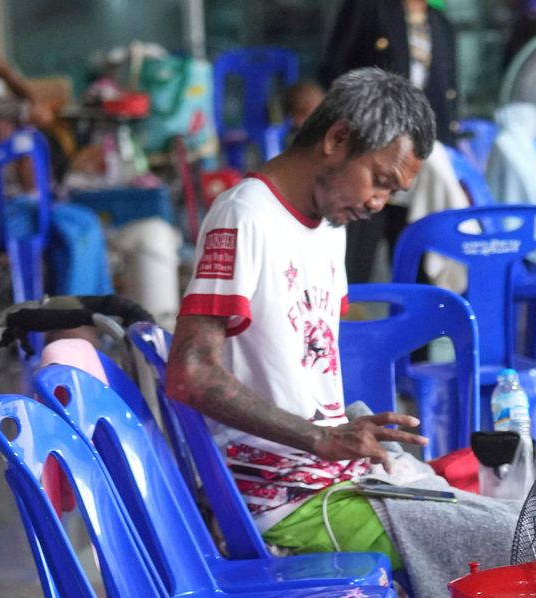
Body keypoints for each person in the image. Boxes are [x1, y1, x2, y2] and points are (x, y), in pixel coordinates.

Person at [166, 69, 435, 561]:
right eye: (379, 181)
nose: (378, 203)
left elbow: (300, 369)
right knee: (495, 542)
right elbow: (190, 373)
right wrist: (320, 436)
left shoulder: (332, 224)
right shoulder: (244, 216)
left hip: (329, 475)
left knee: (497, 515)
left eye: (390, 194)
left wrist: (337, 422)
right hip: (281, 495)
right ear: (337, 139)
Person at [321, 0, 458, 282]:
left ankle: (414, 320)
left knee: (414, 255)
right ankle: (345, 315)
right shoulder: (367, 8)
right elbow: (335, 71)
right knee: (354, 255)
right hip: (370, 153)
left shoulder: (441, 22)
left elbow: (448, 96)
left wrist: (449, 151)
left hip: (420, 159)